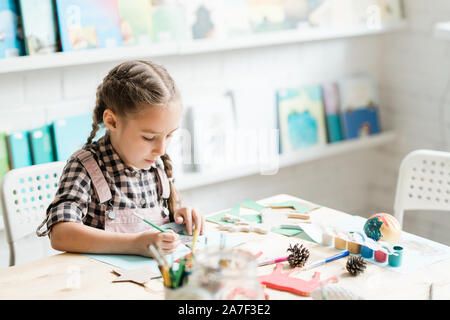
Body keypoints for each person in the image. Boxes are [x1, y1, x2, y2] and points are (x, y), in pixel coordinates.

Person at [36, 60, 205, 257]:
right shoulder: (85, 166)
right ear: (111, 121)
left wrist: (180, 215)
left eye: (169, 135)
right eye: (149, 137)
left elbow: (163, 221)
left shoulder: (155, 163)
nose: (161, 149)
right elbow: (61, 234)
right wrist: (136, 244)